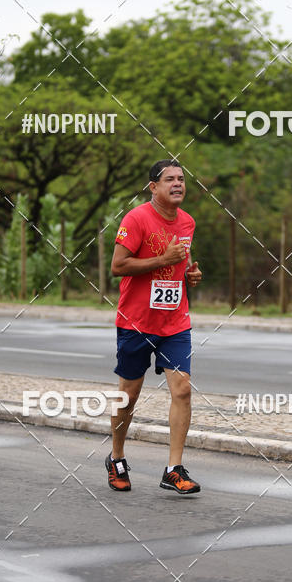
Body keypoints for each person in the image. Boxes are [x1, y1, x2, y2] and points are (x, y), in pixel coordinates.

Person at [107, 159, 203, 494]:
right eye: (170, 179)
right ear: (153, 187)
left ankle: (173, 469)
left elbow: (182, 262)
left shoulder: (188, 222)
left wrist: (190, 274)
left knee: (183, 389)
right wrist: (162, 261)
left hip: (175, 320)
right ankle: (117, 457)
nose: (178, 184)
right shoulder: (136, 219)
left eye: (182, 178)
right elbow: (118, 266)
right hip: (137, 321)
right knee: (129, 395)